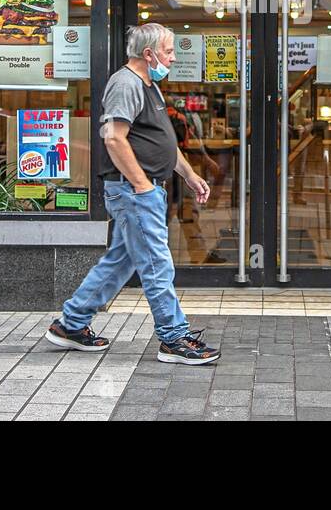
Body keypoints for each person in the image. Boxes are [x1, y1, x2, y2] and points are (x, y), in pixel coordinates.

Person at [46, 23, 220, 365]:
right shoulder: (125, 84)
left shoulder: (147, 84)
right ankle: (173, 337)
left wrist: (187, 174)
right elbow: (113, 137)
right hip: (134, 191)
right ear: (149, 53)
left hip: (143, 188)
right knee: (157, 263)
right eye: (169, 51)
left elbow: (160, 140)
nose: (173, 58)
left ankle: (71, 324)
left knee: (120, 261)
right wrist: (141, 184)